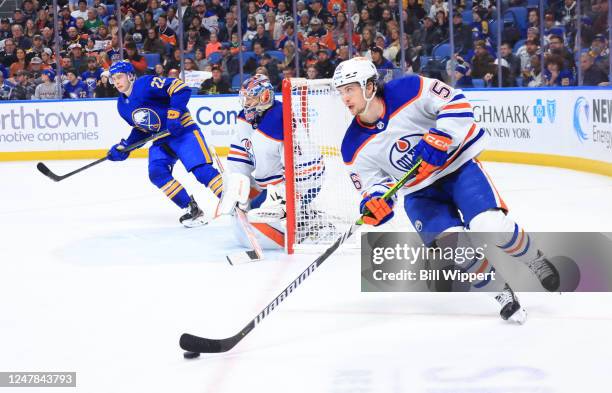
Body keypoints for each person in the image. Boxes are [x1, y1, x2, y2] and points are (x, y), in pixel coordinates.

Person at [332, 57, 562, 323]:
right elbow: (375, 185)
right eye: (341, 92)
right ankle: (500, 292)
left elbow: (456, 101)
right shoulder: (351, 145)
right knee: (452, 245)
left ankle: (534, 258)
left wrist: (442, 135)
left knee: (489, 224)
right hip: (419, 193)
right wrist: (375, 203)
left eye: (349, 89)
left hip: (458, 169)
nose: (344, 98)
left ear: (370, 86)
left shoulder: (409, 89)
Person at [106, 61, 223, 227]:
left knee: (201, 171)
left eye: (119, 77)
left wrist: (174, 114)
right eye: (113, 79)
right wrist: (126, 146)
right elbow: (142, 129)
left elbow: (180, 87)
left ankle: (232, 199)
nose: (116, 81)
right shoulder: (121, 106)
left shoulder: (145, 84)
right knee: (156, 173)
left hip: (182, 130)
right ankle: (191, 208)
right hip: (161, 138)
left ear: (131, 76)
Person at [218, 74, 324, 249]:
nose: (246, 103)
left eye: (250, 98)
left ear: (265, 96)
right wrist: (238, 185)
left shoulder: (279, 118)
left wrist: (284, 195)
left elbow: (295, 163)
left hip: (303, 182)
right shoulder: (246, 118)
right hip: (272, 183)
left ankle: (307, 217)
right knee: (244, 205)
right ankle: (300, 213)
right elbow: (241, 153)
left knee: (258, 215)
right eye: (245, 98)